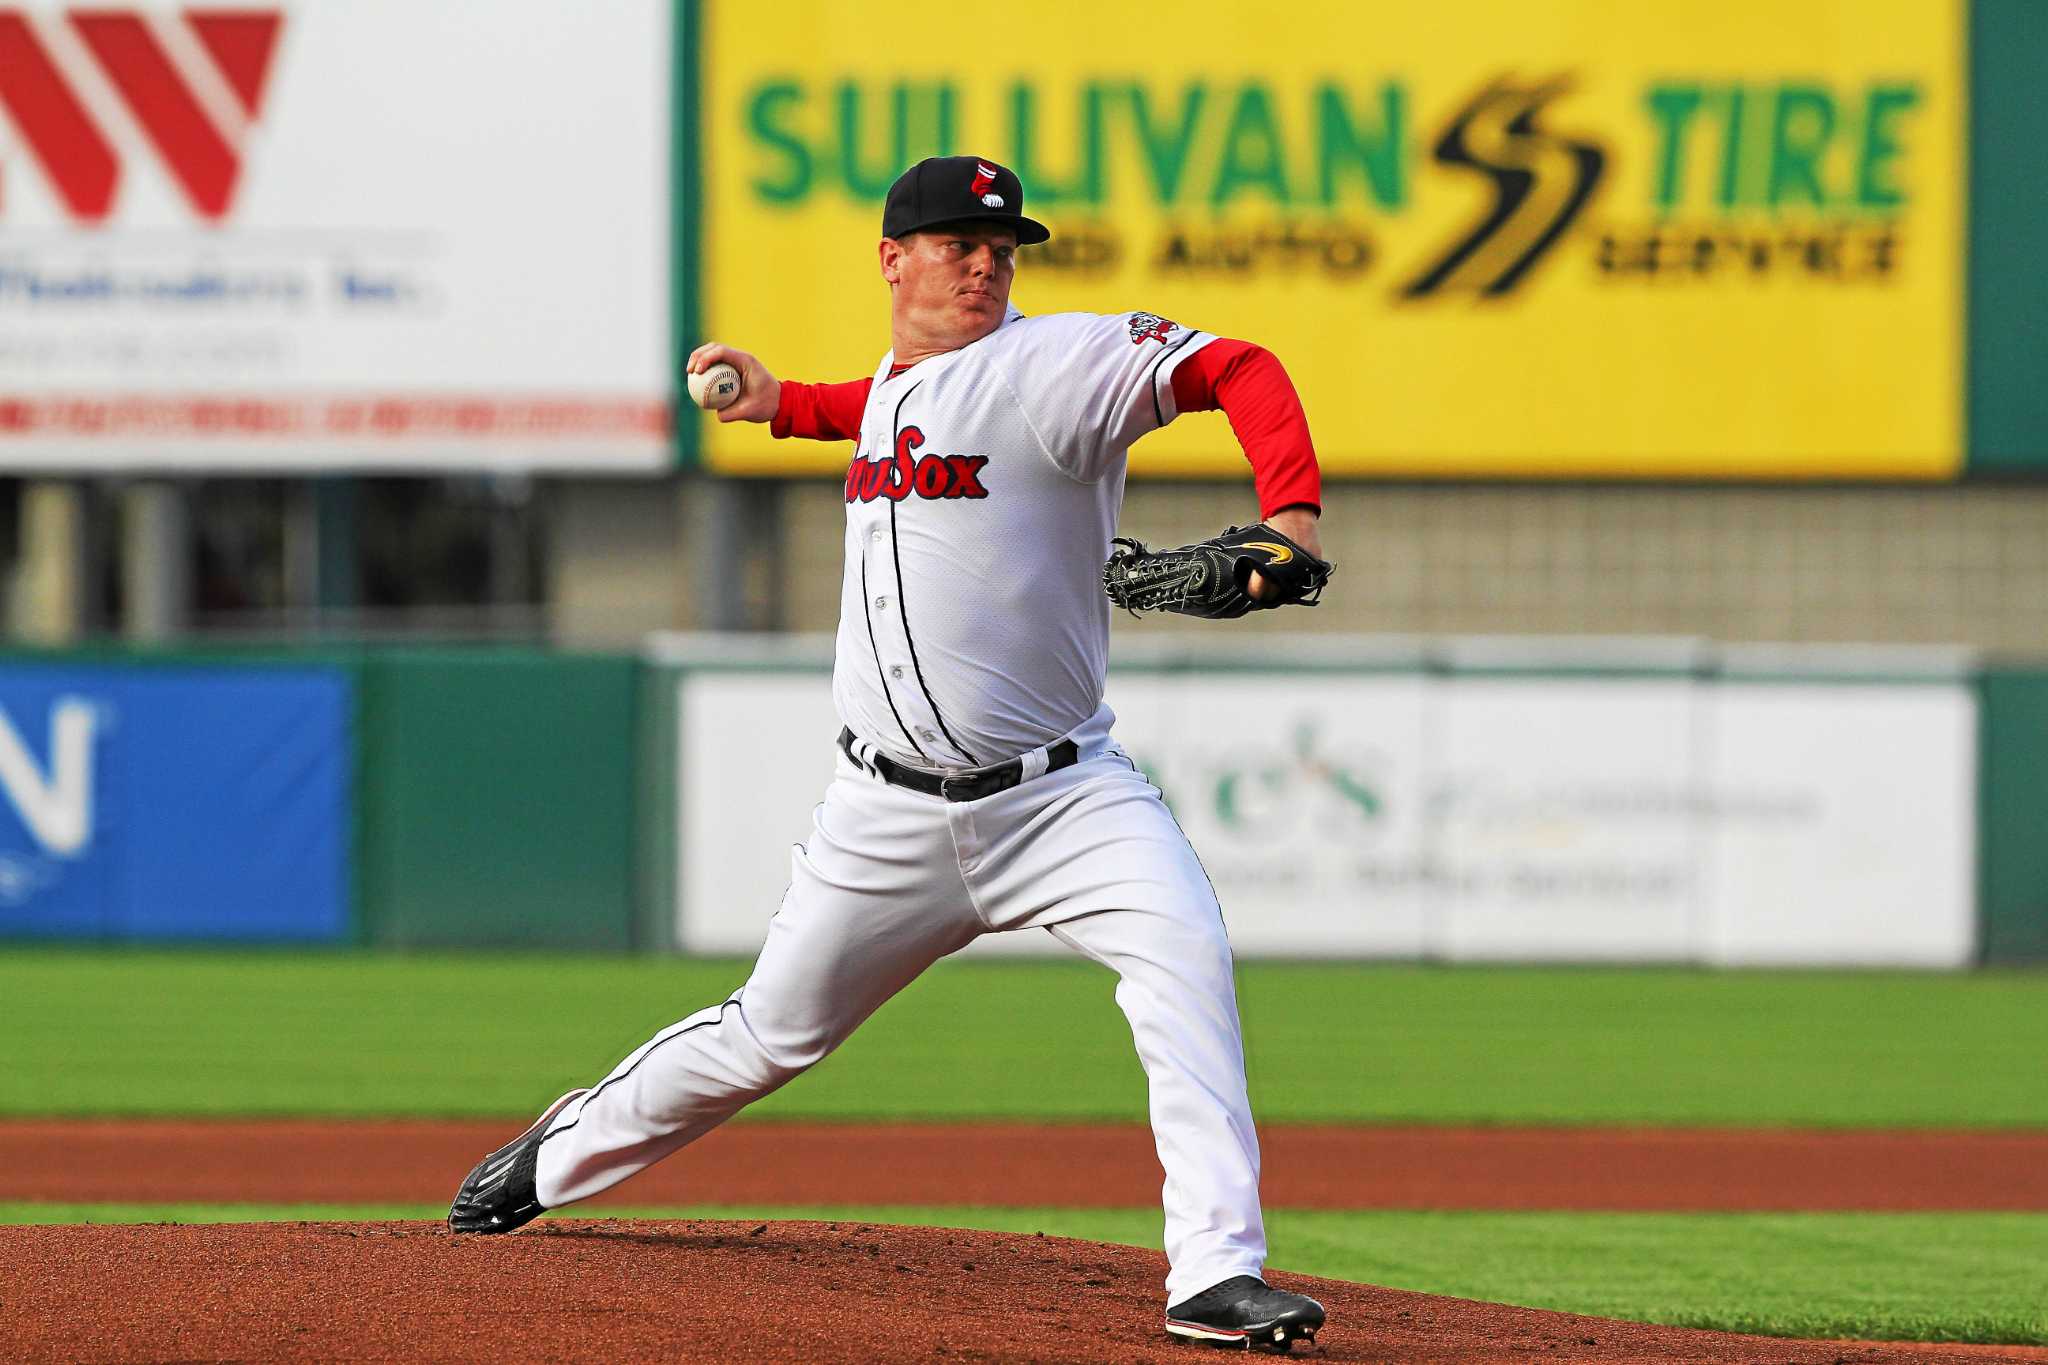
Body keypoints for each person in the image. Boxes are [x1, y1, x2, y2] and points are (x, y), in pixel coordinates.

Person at [449, 155, 1329, 1352]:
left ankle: (1213, 1273)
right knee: (767, 1034)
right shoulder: (898, 389)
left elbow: (1239, 368)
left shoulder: (1051, 365)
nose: (984, 262)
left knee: (1183, 960)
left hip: (1064, 799)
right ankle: (551, 1158)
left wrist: (1288, 520)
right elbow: (887, 412)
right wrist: (776, 401)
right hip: (885, 815)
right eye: (959, 242)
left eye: (1001, 246)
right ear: (891, 260)